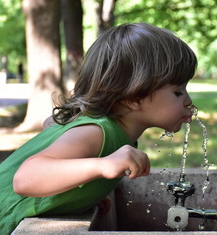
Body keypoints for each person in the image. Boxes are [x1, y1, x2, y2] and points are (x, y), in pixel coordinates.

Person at [0, 23, 197, 234]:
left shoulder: (118, 135)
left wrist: (82, 193)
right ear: (134, 97)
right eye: (178, 92)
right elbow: (26, 179)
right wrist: (102, 165)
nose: (189, 101)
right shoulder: (96, 132)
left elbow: (50, 125)